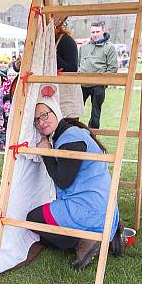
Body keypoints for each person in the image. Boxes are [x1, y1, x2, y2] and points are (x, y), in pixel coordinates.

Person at [25, 85, 124, 270]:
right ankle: (98, 235)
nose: (41, 122)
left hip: (88, 208)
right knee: (42, 227)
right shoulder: (71, 133)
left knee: (32, 219)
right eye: (36, 120)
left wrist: (45, 153)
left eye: (44, 115)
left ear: (55, 111)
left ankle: (86, 240)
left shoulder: (71, 139)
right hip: (99, 203)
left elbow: (64, 181)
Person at [78, 22, 118, 129]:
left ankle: (93, 135)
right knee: (75, 110)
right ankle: (73, 132)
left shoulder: (110, 48)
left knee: (95, 114)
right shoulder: (84, 47)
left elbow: (113, 68)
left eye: (97, 32)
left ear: (103, 32)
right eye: (93, 32)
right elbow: (79, 63)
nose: (95, 34)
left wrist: (103, 82)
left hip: (98, 85)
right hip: (82, 84)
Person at [54, 16, 85, 120]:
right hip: (54, 96)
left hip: (67, 98)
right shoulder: (45, 43)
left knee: (69, 127)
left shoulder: (66, 41)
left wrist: (51, 56)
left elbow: (72, 68)